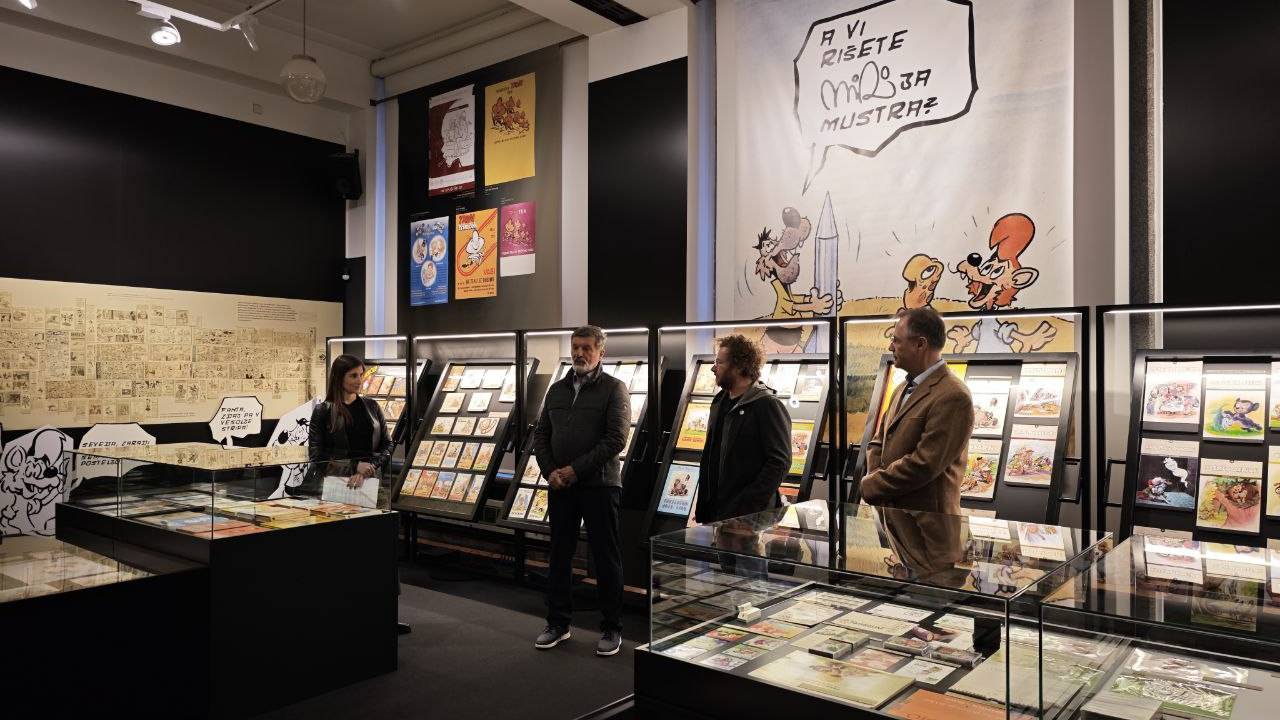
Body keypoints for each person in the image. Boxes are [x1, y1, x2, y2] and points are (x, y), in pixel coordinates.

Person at [531, 326, 631, 656]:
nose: (579, 353)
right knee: (560, 555)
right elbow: (541, 435)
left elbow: (616, 439)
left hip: (600, 486)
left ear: (601, 352)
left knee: (605, 557)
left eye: (587, 347)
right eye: (575, 347)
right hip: (561, 486)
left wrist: (575, 470)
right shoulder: (557, 390)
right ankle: (557, 623)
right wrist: (550, 471)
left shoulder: (614, 389)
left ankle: (612, 627)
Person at [307, 354, 410, 635]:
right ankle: (342, 614)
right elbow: (316, 457)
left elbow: (388, 444)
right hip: (338, 489)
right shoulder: (323, 411)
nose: (359, 380)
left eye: (361, 374)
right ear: (338, 377)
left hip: (372, 487)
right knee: (343, 554)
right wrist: (354, 466)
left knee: (380, 552)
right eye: (353, 375)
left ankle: (384, 614)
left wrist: (369, 467)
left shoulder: (372, 406)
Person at [861, 307, 973, 513]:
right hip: (894, 519)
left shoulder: (954, 396)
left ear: (920, 344)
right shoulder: (901, 388)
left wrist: (872, 485)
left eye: (896, 340)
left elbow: (924, 464)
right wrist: (875, 478)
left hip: (927, 525)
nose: (890, 346)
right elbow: (878, 441)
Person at [694, 334, 791, 524]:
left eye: (719, 362)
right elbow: (711, 457)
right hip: (716, 513)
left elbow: (779, 462)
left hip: (747, 519)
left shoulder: (767, 404)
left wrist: (746, 509)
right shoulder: (719, 401)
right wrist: (704, 507)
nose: (713, 368)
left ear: (739, 366)